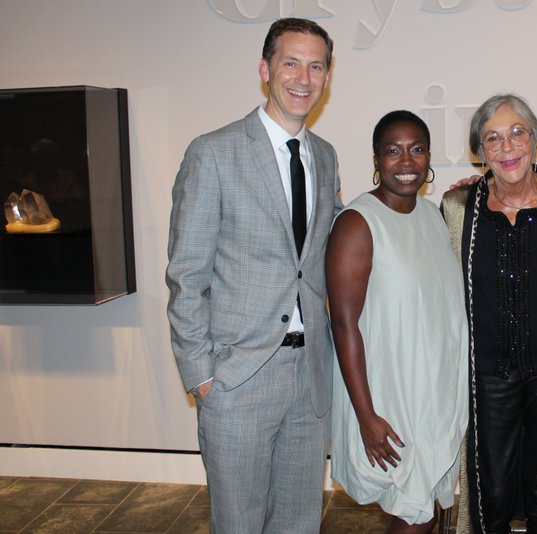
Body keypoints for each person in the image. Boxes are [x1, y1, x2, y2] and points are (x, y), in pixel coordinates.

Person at [165, 18, 341, 533]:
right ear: (265, 69)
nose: (303, 78)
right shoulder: (213, 152)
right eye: (291, 62)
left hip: (310, 377)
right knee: (239, 524)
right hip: (237, 377)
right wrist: (202, 375)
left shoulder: (325, 157)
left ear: (327, 76)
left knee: (299, 521)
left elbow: (329, 248)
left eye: (316, 65)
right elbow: (186, 273)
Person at [441, 94, 537, 534]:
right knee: (490, 492)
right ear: (480, 152)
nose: (507, 148)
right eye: (493, 138)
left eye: (516, 134)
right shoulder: (458, 210)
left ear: (535, 140)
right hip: (488, 376)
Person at [326, 110, 469, 534]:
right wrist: (366, 415)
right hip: (390, 396)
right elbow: (343, 325)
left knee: (422, 509)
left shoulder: (432, 216)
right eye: (393, 151)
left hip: (432, 392)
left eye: (417, 149)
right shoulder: (358, 223)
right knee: (413, 512)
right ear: (375, 160)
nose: (406, 162)